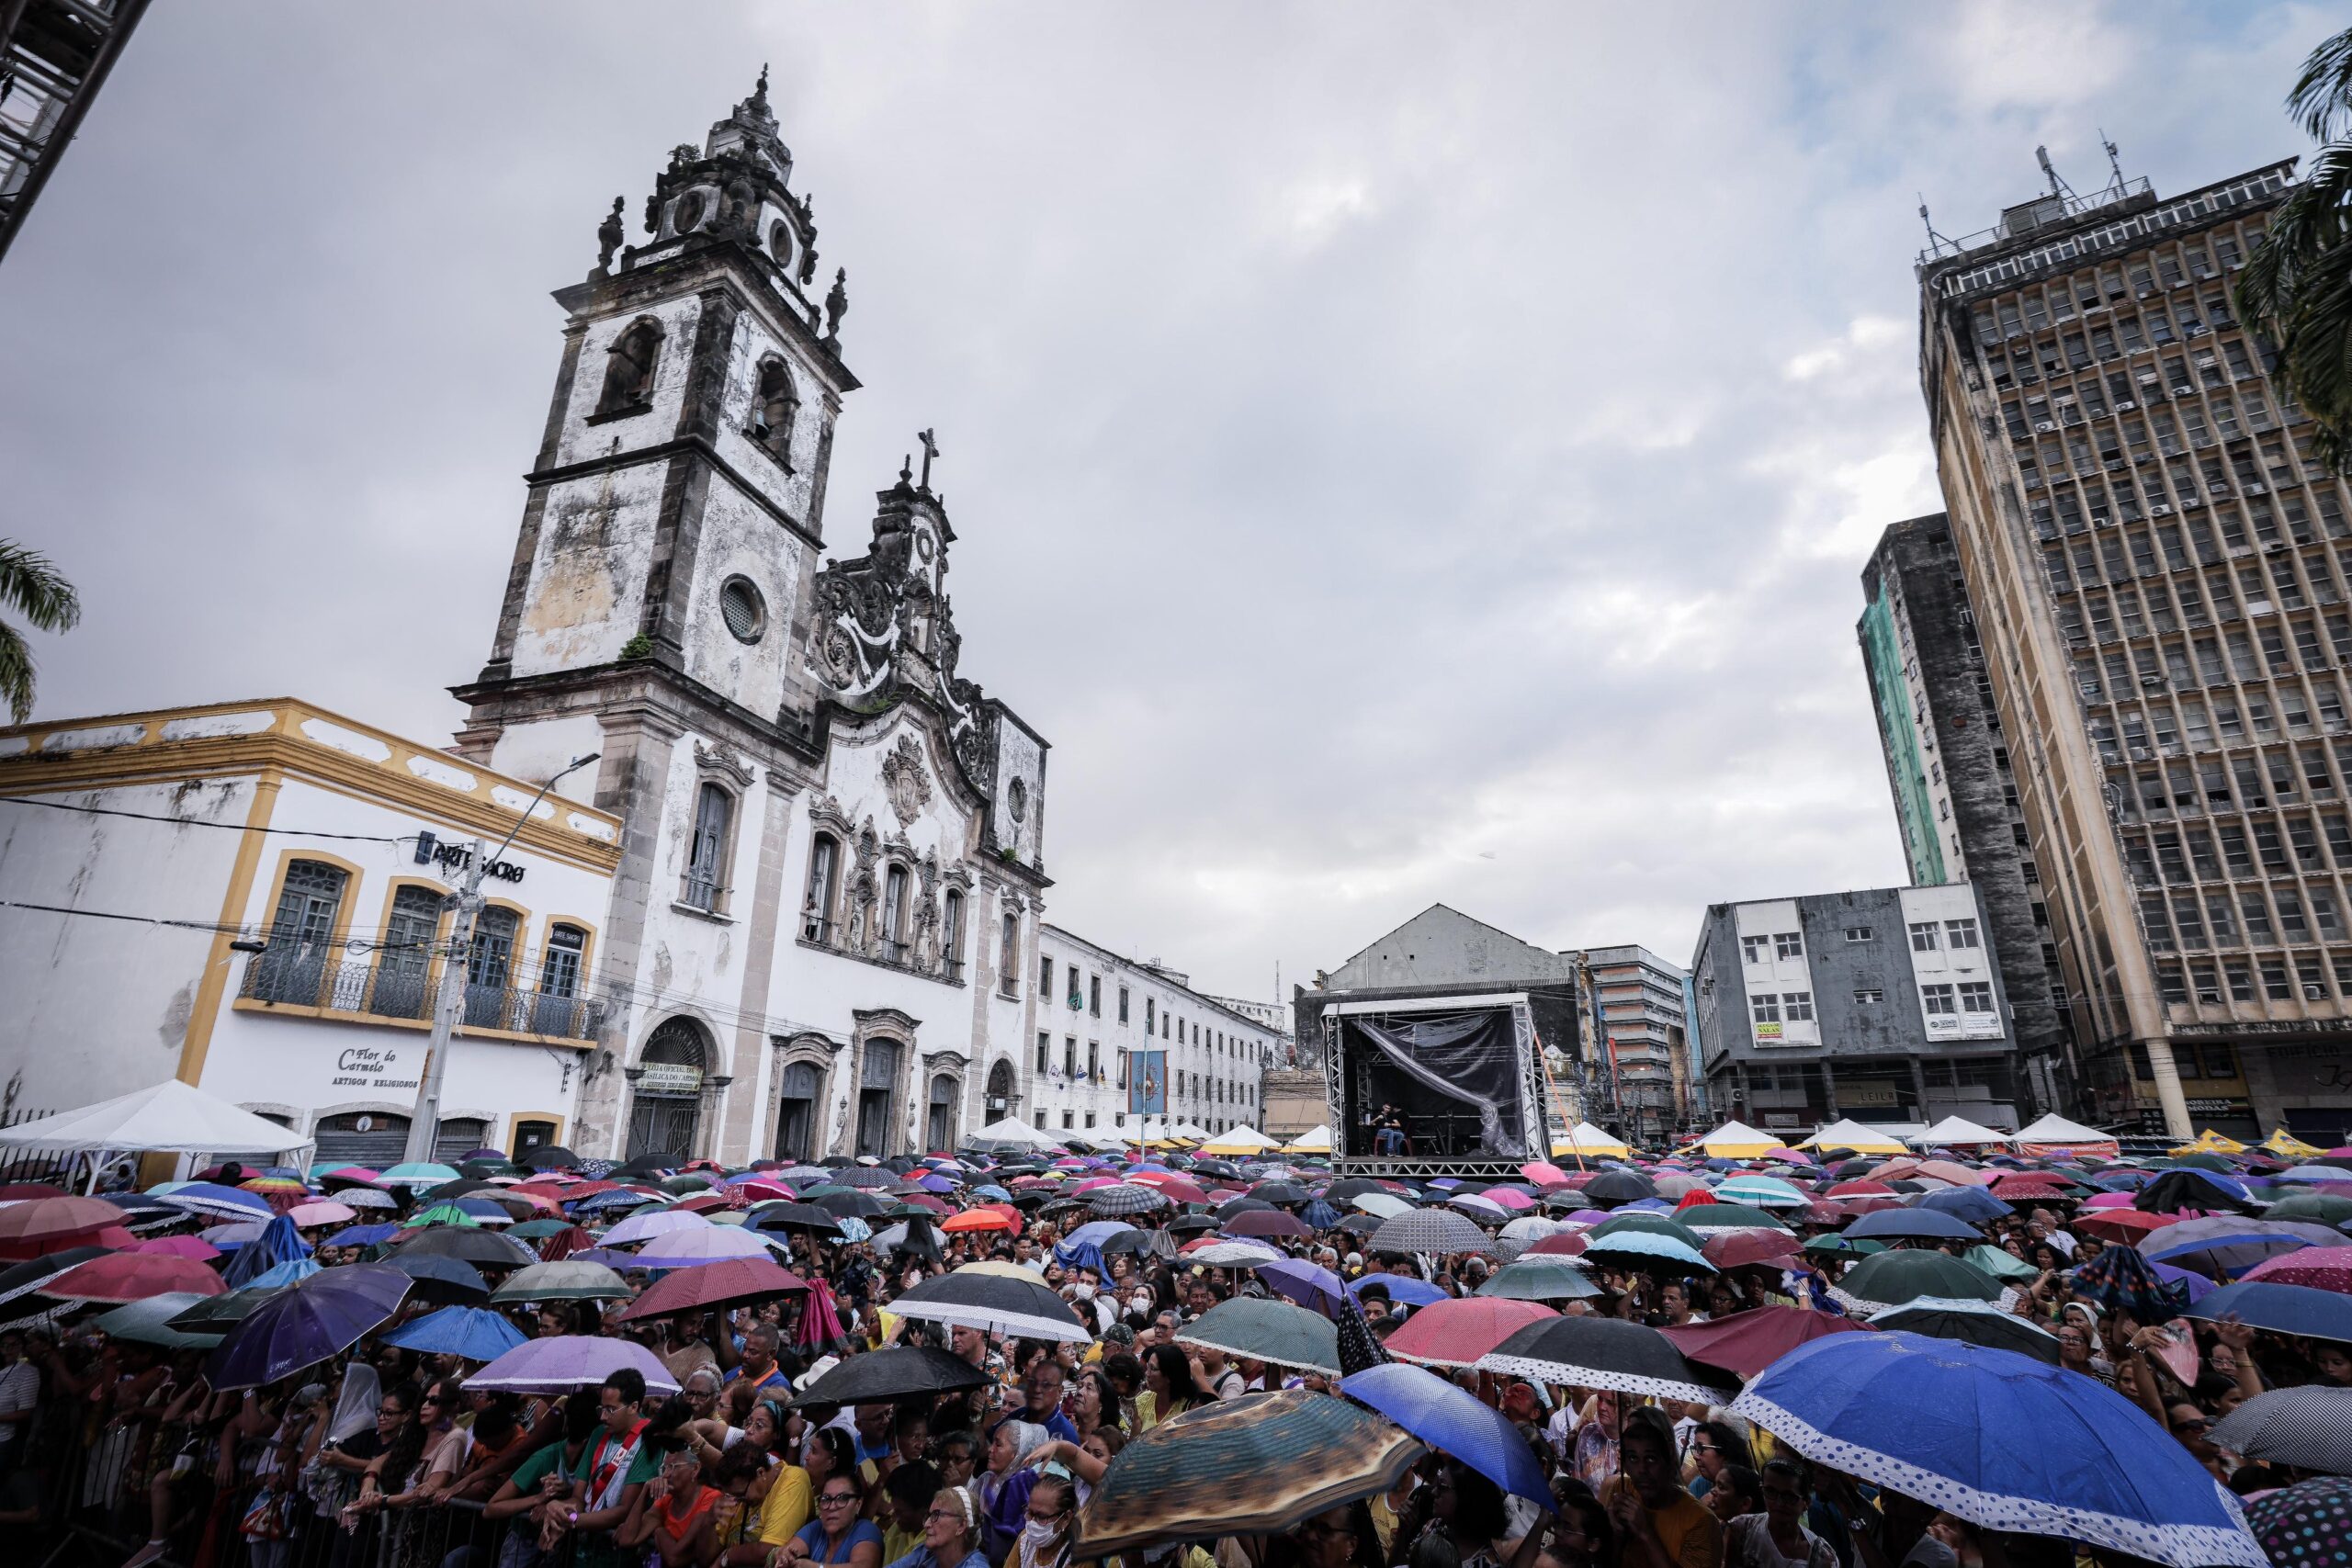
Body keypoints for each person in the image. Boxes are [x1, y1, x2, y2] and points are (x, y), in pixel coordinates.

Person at [1601, 1406, 1723, 1568]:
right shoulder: (1622, 1490)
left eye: (1650, 1458)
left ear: (1669, 1455)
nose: (1641, 1469)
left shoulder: (1701, 1521)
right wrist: (1616, 1535)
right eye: (1633, 1458)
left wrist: (1646, 1533)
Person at [1724, 1461, 1836, 1568]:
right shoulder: (1741, 1529)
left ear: (1806, 1502)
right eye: (1770, 1492)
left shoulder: (1821, 1555)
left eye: (1789, 1497)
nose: (1779, 1503)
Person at [781, 1472, 881, 1568]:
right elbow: (786, 1552)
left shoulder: (866, 1529)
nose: (832, 1507)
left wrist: (817, 1567)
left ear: (858, 1505)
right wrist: (782, 1556)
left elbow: (864, 1566)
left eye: (842, 1498)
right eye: (826, 1499)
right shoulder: (817, 1527)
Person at [884, 1484, 989, 1568]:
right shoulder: (927, 1553)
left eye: (936, 1515)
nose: (926, 1524)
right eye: (929, 1516)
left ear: (961, 1525)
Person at [1009, 1472, 1077, 1568]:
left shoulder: (1077, 1560)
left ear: (1066, 1518)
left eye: (1041, 1517)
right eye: (1030, 1513)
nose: (1032, 1522)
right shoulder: (1025, 1540)